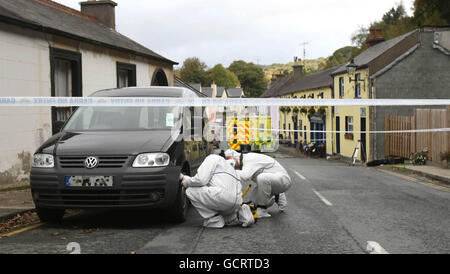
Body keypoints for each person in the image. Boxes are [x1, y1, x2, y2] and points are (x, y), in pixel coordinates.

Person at [179, 154, 255, 228]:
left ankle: (214, 219)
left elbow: (201, 180)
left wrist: (185, 179)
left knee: (190, 191)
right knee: (225, 214)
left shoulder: (211, 158)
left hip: (222, 197)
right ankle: (238, 215)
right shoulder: (230, 168)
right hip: (237, 202)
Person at [225, 149, 291, 217]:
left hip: (284, 180)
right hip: (275, 181)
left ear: (233, 157)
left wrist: (228, 171)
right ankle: (277, 196)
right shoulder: (244, 161)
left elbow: (245, 176)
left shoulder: (248, 159)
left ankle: (263, 209)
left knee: (262, 177)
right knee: (254, 200)